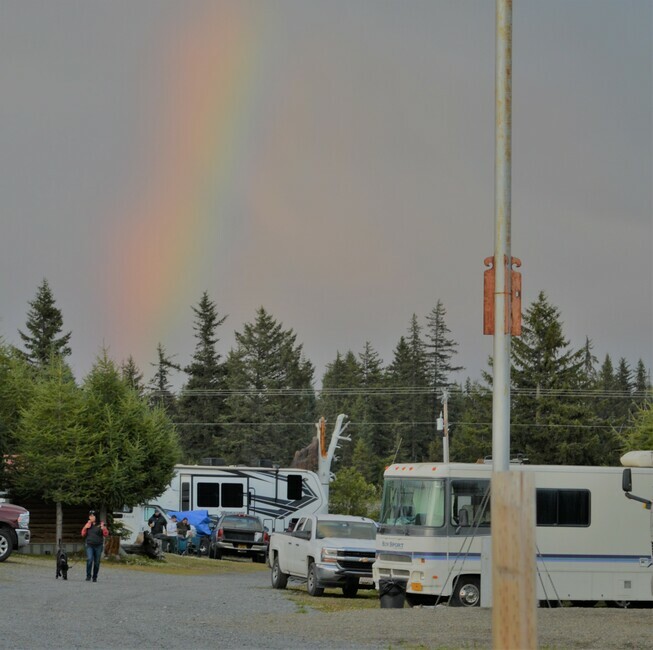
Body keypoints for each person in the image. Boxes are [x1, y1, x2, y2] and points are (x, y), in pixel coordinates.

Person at [81, 510, 109, 582]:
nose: (91, 517)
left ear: (96, 516)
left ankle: (95, 577)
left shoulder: (101, 524)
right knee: (90, 559)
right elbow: (83, 534)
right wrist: (85, 527)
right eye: (90, 516)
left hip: (98, 546)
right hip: (89, 545)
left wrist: (104, 529)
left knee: (97, 562)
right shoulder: (88, 524)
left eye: (93, 516)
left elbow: (106, 534)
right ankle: (88, 576)